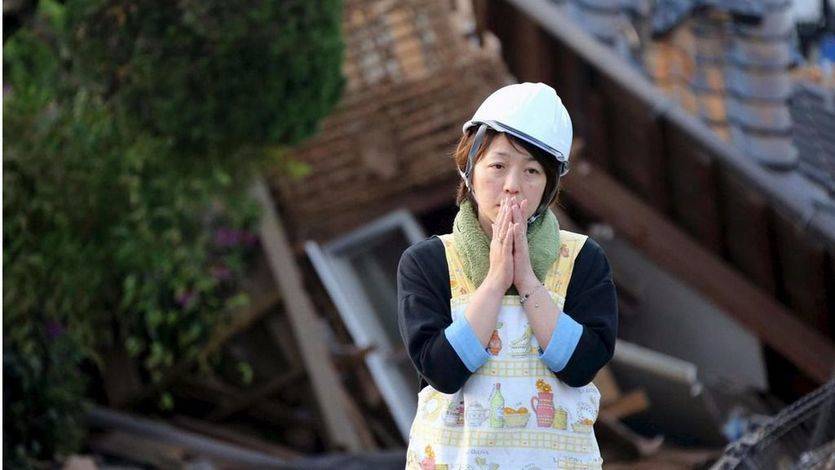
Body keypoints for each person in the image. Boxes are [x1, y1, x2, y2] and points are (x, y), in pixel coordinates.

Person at [397, 82, 618, 469]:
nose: (513, 185)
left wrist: (529, 282)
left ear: (549, 185)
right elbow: (442, 371)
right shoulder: (428, 261)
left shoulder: (583, 260)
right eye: (498, 165)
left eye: (532, 170)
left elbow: (582, 367)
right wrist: (497, 280)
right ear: (468, 169)